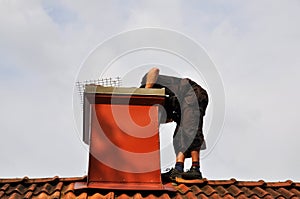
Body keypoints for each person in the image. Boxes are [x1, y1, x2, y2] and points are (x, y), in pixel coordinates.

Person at [140, 67, 209, 181]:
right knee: (178, 136)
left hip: (191, 93)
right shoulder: (154, 110)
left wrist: (146, 91)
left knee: (190, 129)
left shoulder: (146, 85)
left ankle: (195, 168)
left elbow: (155, 70)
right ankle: (178, 169)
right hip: (181, 105)